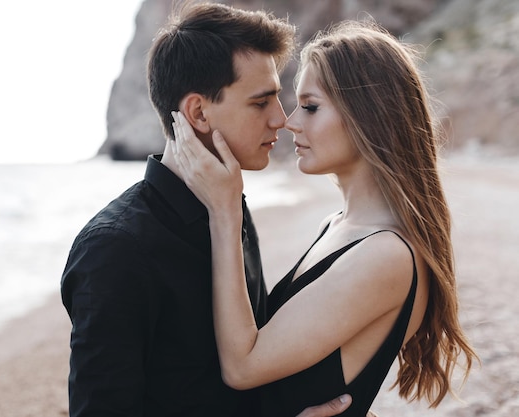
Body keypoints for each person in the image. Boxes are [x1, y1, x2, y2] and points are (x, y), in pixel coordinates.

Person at [170, 18, 479, 417]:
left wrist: (224, 210)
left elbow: (242, 367)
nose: (290, 121)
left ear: (370, 116)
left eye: (311, 107)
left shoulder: (386, 255)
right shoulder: (338, 225)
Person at [60, 2, 356, 416]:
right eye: (260, 103)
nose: (281, 119)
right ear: (199, 112)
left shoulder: (229, 204)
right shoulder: (115, 250)